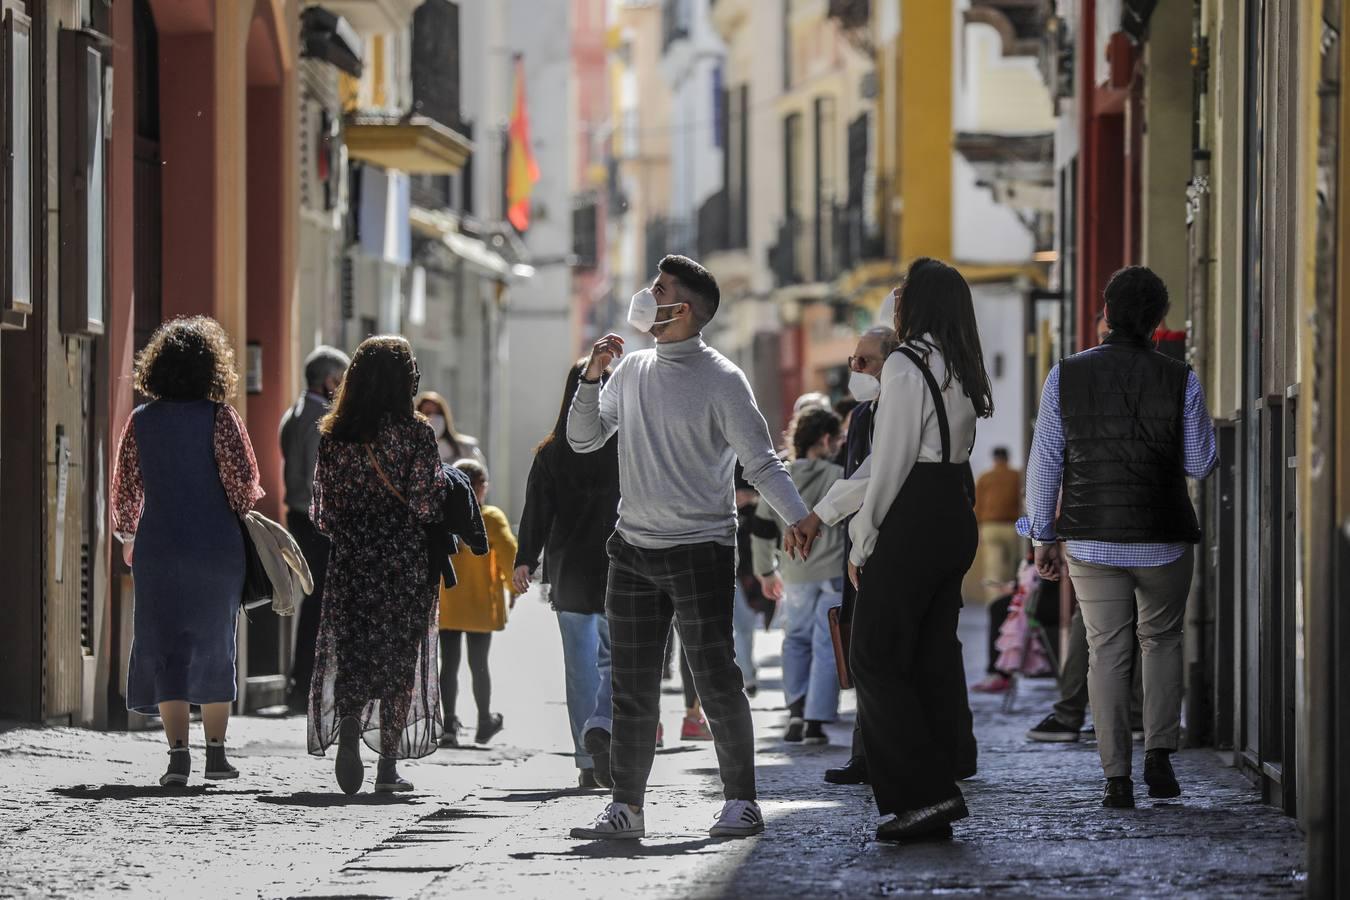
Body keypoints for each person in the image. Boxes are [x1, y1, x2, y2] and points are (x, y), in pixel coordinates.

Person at [566, 254, 813, 841]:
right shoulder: (630, 371)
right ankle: (625, 806)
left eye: (660, 288)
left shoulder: (724, 379)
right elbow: (582, 440)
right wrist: (591, 376)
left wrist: (798, 516)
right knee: (631, 683)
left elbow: (760, 461)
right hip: (631, 549)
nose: (648, 295)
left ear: (687, 309)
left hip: (701, 548)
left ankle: (741, 802)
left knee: (715, 677)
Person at [794, 258, 993, 841]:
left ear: (921, 301)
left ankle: (923, 796)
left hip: (912, 516)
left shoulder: (908, 364)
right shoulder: (959, 362)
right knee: (927, 660)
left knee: (875, 657)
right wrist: (824, 511)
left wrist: (860, 538)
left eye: (905, 290)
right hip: (952, 512)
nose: (897, 298)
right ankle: (938, 785)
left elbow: (890, 464)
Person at [1021, 266, 1217, 809]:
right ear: (1160, 320)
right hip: (1163, 536)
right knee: (1162, 641)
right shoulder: (1183, 377)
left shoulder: (1064, 375)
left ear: (1105, 313)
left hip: (1091, 539)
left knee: (1106, 651)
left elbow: (1045, 464)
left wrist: (1042, 535)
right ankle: (1159, 753)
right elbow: (1200, 463)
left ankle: (1117, 780)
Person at [111, 316, 264, 786]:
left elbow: (125, 494)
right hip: (216, 546)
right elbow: (243, 487)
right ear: (212, 368)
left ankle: (178, 757)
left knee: (165, 647)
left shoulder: (140, 422)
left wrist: (128, 537)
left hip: (159, 546)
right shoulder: (221, 418)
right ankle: (216, 755)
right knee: (217, 643)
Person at [308, 336, 453, 795]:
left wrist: (355, 531)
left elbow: (322, 511)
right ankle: (388, 764)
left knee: (353, 651)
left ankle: (349, 724)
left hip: (353, 558)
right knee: (398, 658)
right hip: (403, 560)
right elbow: (426, 503)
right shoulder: (416, 433)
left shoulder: (336, 434)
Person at [513, 360, 622, 789]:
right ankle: (607, 731)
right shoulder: (629, 444)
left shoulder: (552, 451)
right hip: (621, 568)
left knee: (580, 669)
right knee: (618, 661)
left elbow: (536, 511)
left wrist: (525, 558)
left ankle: (586, 759)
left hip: (571, 572)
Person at [753, 407, 846, 746]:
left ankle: (794, 712)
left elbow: (762, 529)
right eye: (836, 439)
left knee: (795, 639)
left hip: (794, 573)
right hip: (833, 572)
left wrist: (765, 571)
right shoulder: (838, 475)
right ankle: (816, 721)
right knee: (826, 644)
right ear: (825, 439)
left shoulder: (782, 477)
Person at [279, 346, 351, 713]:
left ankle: (304, 683)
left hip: (299, 515)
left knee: (316, 601)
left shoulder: (294, 412)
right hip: (314, 519)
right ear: (329, 380)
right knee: (319, 603)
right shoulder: (318, 416)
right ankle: (304, 685)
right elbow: (314, 474)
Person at [438, 459, 515, 748]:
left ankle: (448, 725)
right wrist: (512, 588)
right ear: (482, 487)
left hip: (448, 602)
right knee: (478, 663)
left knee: (449, 663)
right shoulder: (490, 518)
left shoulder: (442, 515)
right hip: (481, 605)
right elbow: (508, 553)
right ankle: (484, 721)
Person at [970, 447, 1025, 693]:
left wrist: (979, 529)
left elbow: (977, 503)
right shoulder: (1016, 475)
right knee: (1013, 567)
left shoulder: (985, 477)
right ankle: (1010, 595)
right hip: (1012, 526)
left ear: (994, 459)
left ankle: (996, 598)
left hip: (991, 526)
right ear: (1007, 458)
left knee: (994, 572)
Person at [416, 390, 487, 467]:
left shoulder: (466, 448)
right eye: (428, 413)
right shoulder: (413, 450)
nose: (434, 418)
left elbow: (480, 474)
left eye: (438, 413)